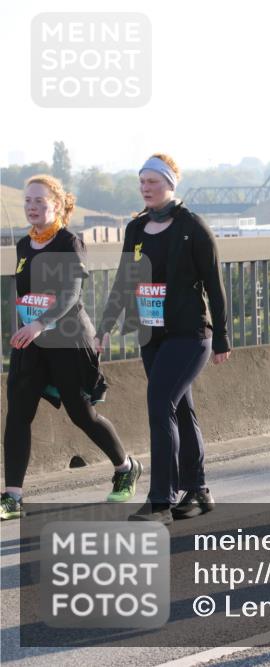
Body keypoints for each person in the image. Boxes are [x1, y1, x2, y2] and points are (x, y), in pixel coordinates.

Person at [96, 154, 231, 525]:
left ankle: (161, 501)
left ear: (171, 183)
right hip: (151, 333)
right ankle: (198, 490)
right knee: (179, 410)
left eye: (153, 181)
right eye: (141, 181)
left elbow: (214, 288)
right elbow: (125, 279)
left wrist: (222, 338)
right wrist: (105, 325)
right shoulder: (136, 229)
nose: (145, 187)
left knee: (159, 403)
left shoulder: (193, 227)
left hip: (189, 335)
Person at [2, 176, 142, 521]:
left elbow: (70, 295)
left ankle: (125, 467)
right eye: (28, 201)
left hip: (67, 339)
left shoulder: (70, 242)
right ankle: (13, 497)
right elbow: (22, 295)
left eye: (40, 201)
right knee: (18, 413)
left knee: (82, 414)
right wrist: (26, 327)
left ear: (58, 204)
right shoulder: (23, 246)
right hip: (31, 343)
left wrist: (39, 323)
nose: (32, 207)